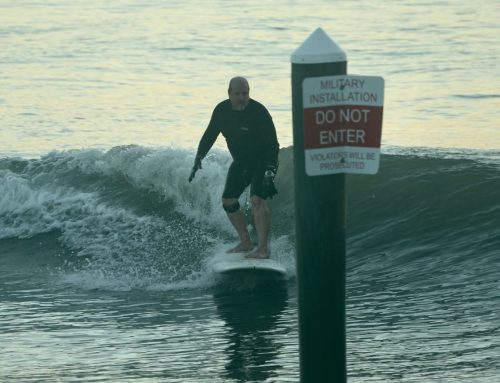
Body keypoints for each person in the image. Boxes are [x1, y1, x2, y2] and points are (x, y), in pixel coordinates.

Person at [189, 76, 279, 259]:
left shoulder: (259, 112)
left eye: (245, 93)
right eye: (237, 94)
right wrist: (199, 156)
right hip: (241, 162)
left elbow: (272, 144)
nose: (241, 98)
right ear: (229, 93)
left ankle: (263, 249)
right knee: (228, 202)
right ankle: (246, 242)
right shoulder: (222, 111)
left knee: (257, 200)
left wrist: (270, 169)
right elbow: (210, 134)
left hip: (263, 161)